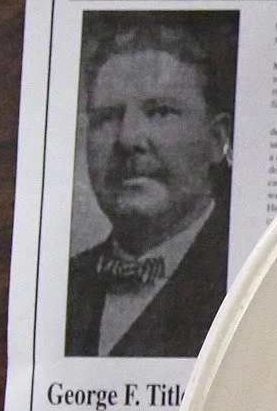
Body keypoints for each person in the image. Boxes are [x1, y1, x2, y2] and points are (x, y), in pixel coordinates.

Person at [65, 21, 232, 358]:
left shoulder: (242, 270)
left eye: (160, 112)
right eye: (107, 118)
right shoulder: (68, 283)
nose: (127, 139)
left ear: (217, 139)